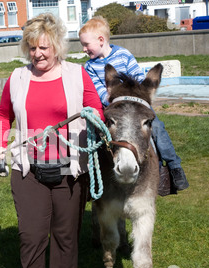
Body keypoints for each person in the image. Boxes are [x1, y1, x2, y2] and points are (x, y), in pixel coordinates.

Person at [0, 13, 104, 268]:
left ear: (56, 46)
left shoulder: (78, 75)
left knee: (66, 239)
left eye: (44, 47)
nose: (37, 53)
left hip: (70, 171)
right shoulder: (17, 77)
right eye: (32, 47)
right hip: (29, 171)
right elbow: (3, 115)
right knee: (31, 238)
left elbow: (95, 110)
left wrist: (95, 124)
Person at [79, 16, 189, 193]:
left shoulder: (123, 54)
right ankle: (93, 175)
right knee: (95, 135)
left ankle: (172, 167)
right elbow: (99, 90)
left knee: (158, 128)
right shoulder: (90, 67)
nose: (84, 49)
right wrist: (114, 99)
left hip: (136, 104)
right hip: (112, 107)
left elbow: (138, 77)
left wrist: (135, 95)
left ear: (101, 40)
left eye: (86, 44)